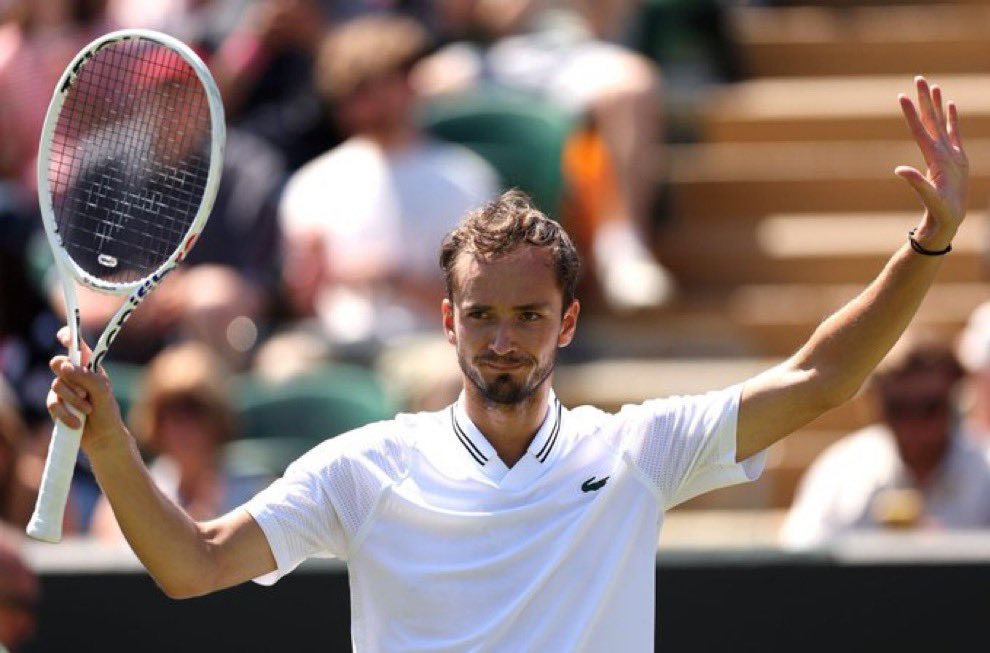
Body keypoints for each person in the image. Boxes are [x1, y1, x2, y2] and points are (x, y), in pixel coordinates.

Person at [45, 77, 967, 650]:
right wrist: (113, 442)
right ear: (446, 322)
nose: (502, 338)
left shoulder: (638, 449)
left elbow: (821, 378)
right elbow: (192, 564)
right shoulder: (366, 467)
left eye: (528, 315)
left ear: (567, 323)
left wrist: (929, 244)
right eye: (482, 315)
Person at [278, 15, 498, 349]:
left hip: (431, 345)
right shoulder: (311, 185)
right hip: (334, 345)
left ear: (410, 84)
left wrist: (394, 280)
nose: (372, 102)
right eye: (357, 90)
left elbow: (484, 304)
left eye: (384, 83)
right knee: (284, 362)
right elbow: (303, 306)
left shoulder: (466, 178)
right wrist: (307, 282)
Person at [779, 333, 990, 548]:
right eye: (898, 409)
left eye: (930, 407)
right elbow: (802, 555)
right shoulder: (842, 471)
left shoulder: (985, 469)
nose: (914, 424)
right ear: (878, 408)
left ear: (955, 404)